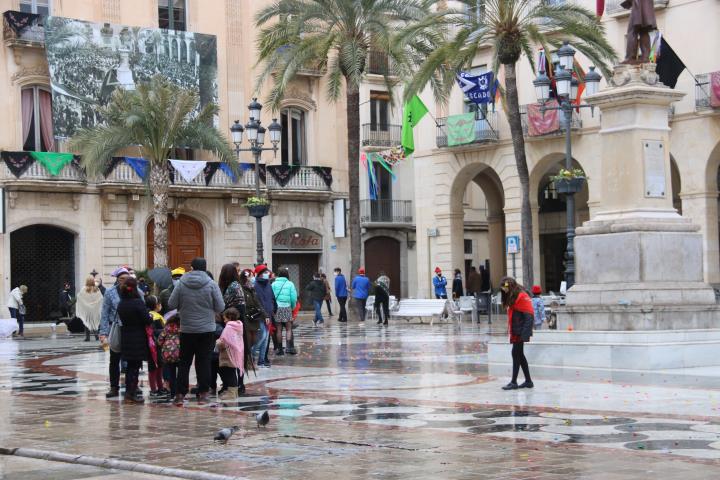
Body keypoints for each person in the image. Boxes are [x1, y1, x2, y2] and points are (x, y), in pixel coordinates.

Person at [168, 257, 225, 406]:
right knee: (204, 361)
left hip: (187, 328)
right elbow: (220, 307)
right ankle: (203, 393)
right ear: (205, 268)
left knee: (184, 362)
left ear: (191, 268)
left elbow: (171, 303)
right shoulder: (211, 284)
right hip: (207, 329)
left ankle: (180, 394)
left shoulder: (181, 284)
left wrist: (184, 305)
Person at [99, 267, 138, 399]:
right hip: (115, 328)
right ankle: (114, 387)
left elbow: (141, 306)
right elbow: (104, 313)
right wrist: (103, 333)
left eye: (127, 279)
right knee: (114, 359)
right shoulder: (110, 292)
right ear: (117, 279)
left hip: (131, 329)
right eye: (121, 279)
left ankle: (131, 387)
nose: (124, 281)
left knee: (131, 360)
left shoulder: (134, 290)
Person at [116, 277, 151, 404]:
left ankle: (128, 393)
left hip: (126, 337)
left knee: (130, 366)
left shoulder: (122, 303)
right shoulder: (137, 302)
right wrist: (150, 315)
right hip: (137, 338)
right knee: (135, 367)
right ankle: (131, 393)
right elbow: (147, 319)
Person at [500, 277, 534, 390]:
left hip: (520, 331)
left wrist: (525, 334)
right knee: (519, 355)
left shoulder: (522, 296)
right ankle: (528, 381)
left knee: (516, 354)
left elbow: (529, 316)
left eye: (505, 288)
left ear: (510, 286)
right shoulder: (514, 296)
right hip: (516, 330)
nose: (504, 291)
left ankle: (514, 382)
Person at [215, 307, 245, 401]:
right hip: (236, 353)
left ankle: (232, 393)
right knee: (232, 373)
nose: (224, 321)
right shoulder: (238, 325)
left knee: (229, 373)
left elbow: (224, 341)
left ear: (229, 317)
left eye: (225, 319)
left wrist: (217, 343)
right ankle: (232, 392)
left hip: (228, 354)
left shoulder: (229, 327)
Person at [272, 268, 298, 355]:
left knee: (278, 329)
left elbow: (271, 297)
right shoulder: (290, 284)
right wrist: (292, 307)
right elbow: (294, 297)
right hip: (287, 307)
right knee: (288, 329)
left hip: (277, 308)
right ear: (287, 275)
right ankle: (289, 348)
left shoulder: (274, 284)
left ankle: (280, 349)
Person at [253, 265, 274, 368]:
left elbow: (272, 297)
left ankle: (261, 361)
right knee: (262, 336)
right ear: (260, 274)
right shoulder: (255, 285)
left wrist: (273, 308)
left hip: (269, 314)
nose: (268, 274)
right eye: (265, 272)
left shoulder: (268, 284)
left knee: (266, 339)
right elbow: (256, 301)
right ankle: (251, 354)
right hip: (260, 315)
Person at [145, 295, 166, 399]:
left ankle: (160, 387)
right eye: (159, 303)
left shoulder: (153, 315)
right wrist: (164, 331)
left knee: (159, 366)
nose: (160, 305)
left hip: (156, 345)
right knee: (154, 368)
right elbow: (153, 331)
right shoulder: (154, 316)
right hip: (154, 346)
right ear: (155, 305)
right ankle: (154, 389)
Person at [157, 310, 181, 399]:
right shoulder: (181, 328)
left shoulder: (167, 327)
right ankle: (180, 392)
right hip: (179, 353)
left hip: (168, 354)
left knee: (172, 373)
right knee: (181, 372)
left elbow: (159, 340)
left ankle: (173, 393)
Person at [76, 276, 103, 342]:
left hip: (87, 309)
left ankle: (87, 337)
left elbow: (79, 297)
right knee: (94, 322)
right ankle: (96, 336)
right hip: (94, 309)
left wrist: (86, 303)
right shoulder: (97, 289)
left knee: (87, 322)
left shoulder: (84, 289)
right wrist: (95, 304)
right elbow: (101, 298)